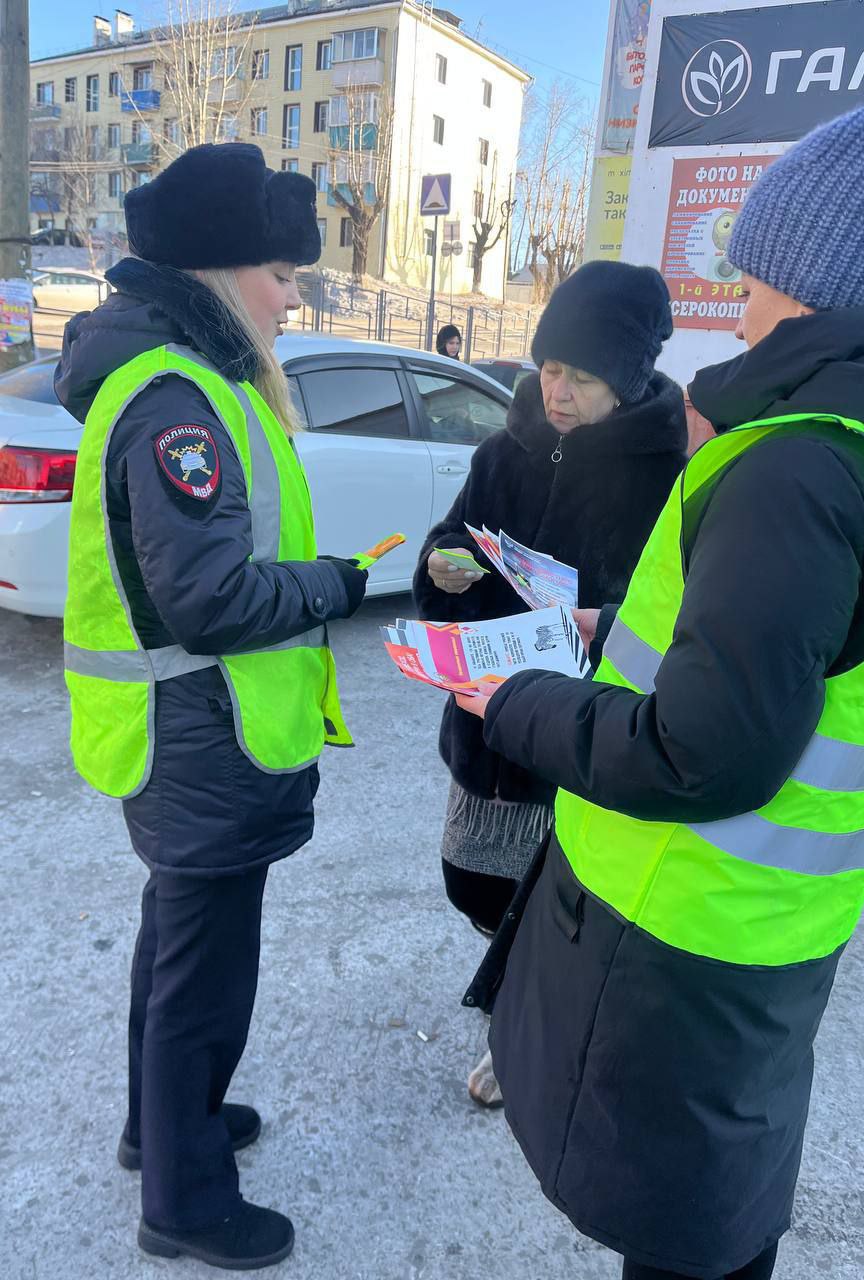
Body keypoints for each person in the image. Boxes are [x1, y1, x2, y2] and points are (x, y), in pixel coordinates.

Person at [459, 92, 864, 1279]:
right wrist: (603, 623)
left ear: (809, 270)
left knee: (687, 1236)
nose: (736, 307)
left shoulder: (800, 460)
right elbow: (805, 656)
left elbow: (702, 750)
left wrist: (513, 703)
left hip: (681, 933)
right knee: (716, 1208)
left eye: (752, 275)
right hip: (766, 925)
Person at [55, 143, 368, 1270]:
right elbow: (212, 594)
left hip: (195, 734)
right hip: (204, 736)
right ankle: (186, 1198)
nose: (295, 295)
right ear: (225, 269)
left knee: (175, 944)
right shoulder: (179, 395)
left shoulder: (181, 376)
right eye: (284, 272)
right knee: (204, 968)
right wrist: (332, 584)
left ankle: (162, 1124)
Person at [414, 261, 687, 1104]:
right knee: (475, 884)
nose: (559, 392)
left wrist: (599, 624)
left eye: (585, 376)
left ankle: (532, 1033)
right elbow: (447, 541)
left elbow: (684, 619)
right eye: (552, 368)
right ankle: (531, 998)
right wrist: (442, 571)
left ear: (630, 379)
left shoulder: (671, 473)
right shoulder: (505, 450)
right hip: (490, 721)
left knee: (566, 914)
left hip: (585, 733)